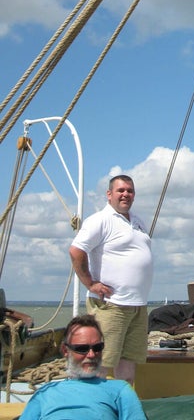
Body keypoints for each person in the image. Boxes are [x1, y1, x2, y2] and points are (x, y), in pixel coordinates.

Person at [69, 175, 153, 385]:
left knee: (127, 366)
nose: (126, 194)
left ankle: (122, 411)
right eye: (121, 190)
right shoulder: (100, 220)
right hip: (111, 306)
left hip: (137, 306)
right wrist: (90, 283)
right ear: (109, 194)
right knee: (101, 364)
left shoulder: (138, 221)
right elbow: (76, 250)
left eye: (130, 191)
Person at [20, 314, 147, 419]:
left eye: (97, 348)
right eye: (82, 348)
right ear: (65, 350)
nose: (91, 355)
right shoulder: (45, 392)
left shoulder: (120, 390)